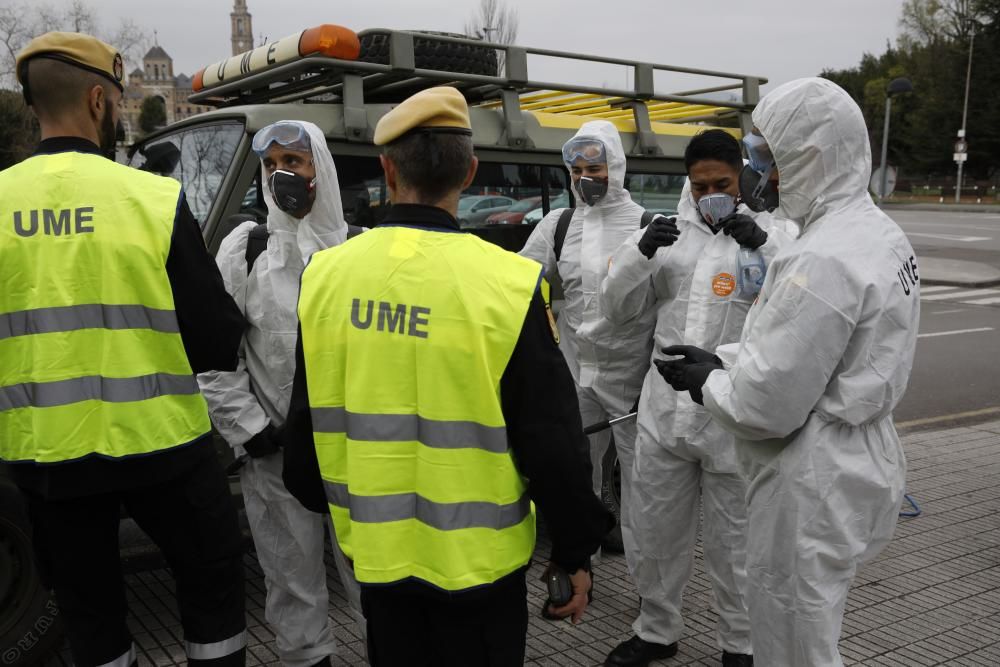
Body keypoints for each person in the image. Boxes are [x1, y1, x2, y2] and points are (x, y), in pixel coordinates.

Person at [280, 85, 613, 667]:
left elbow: (304, 440)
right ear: (470, 172)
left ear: (387, 170)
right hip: (480, 572)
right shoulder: (509, 284)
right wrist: (574, 552)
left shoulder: (324, 276)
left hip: (377, 561)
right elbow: (553, 443)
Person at [1, 32, 247, 667]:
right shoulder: (152, 199)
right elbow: (215, 338)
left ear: (32, 106)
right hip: (163, 449)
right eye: (114, 100)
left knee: (89, 616)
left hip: (46, 457)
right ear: (97, 100)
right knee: (213, 587)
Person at [658, 78, 920, 666]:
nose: (762, 176)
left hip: (809, 478)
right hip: (851, 459)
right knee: (812, 624)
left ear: (810, 157)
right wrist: (725, 360)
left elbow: (767, 405)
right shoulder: (876, 232)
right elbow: (816, 356)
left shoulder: (820, 258)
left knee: (790, 635)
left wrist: (707, 384)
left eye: (768, 160)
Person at [600, 129, 792, 667]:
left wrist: (765, 245)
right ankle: (656, 631)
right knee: (655, 530)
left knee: (736, 543)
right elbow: (616, 310)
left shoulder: (773, 233)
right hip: (665, 413)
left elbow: (797, 307)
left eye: (722, 184)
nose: (710, 194)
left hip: (732, 412)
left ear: (742, 179)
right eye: (700, 185)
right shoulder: (666, 234)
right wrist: (640, 253)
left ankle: (741, 644)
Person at [197, 120, 363, 667]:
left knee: (373, 581)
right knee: (292, 585)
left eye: (293, 161)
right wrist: (252, 432)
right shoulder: (246, 251)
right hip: (275, 459)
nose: (280, 174)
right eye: (270, 165)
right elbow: (215, 354)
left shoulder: (362, 251)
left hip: (356, 457)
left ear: (321, 167)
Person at [519, 119, 659, 578]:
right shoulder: (559, 225)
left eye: (594, 169)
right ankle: (581, 569)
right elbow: (516, 280)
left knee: (642, 487)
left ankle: (652, 596)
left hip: (632, 377)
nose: (585, 178)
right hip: (576, 371)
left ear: (614, 167)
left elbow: (670, 306)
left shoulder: (645, 226)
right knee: (576, 476)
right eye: (577, 170)